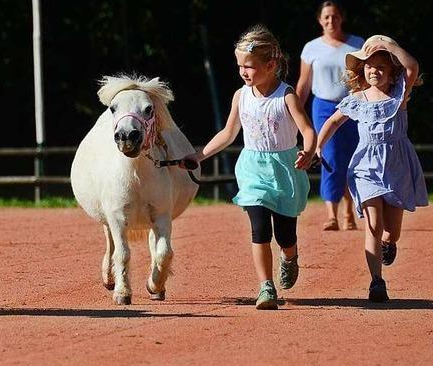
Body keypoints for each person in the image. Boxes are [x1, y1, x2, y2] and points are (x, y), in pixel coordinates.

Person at [181, 24, 316, 310]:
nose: (243, 71)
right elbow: (228, 134)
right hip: (253, 169)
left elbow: (308, 130)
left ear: (270, 65)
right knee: (259, 227)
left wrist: (308, 151)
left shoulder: (286, 96)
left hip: (285, 169)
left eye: (250, 66)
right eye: (240, 65)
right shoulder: (241, 96)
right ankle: (266, 287)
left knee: (285, 235)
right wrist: (199, 155)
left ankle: (289, 257)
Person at [316, 35, 428, 302]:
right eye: (368, 65)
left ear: (391, 73)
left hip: (397, 165)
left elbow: (412, 67)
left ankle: (390, 244)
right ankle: (377, 282)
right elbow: (333, 121)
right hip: (366, 165)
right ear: (361, 71)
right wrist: (318, 146)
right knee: (374, 226)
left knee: (392, 231)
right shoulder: (356, 99)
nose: (373, 70)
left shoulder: (400, 94)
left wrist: (389, 46)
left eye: (380, 66)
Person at [296, 1, 364, 231]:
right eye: (326, 17)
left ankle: (349, 213)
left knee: (353, 157)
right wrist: (294, 111)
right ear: (319, 20)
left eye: (334, 16)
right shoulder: (311, 48)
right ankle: (332, 214)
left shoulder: (357, 44)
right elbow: (304, 84)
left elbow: (366, 79)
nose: (330, 21)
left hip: (353, 106)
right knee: (331, 156)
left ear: (341, 17)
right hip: (323, 106)